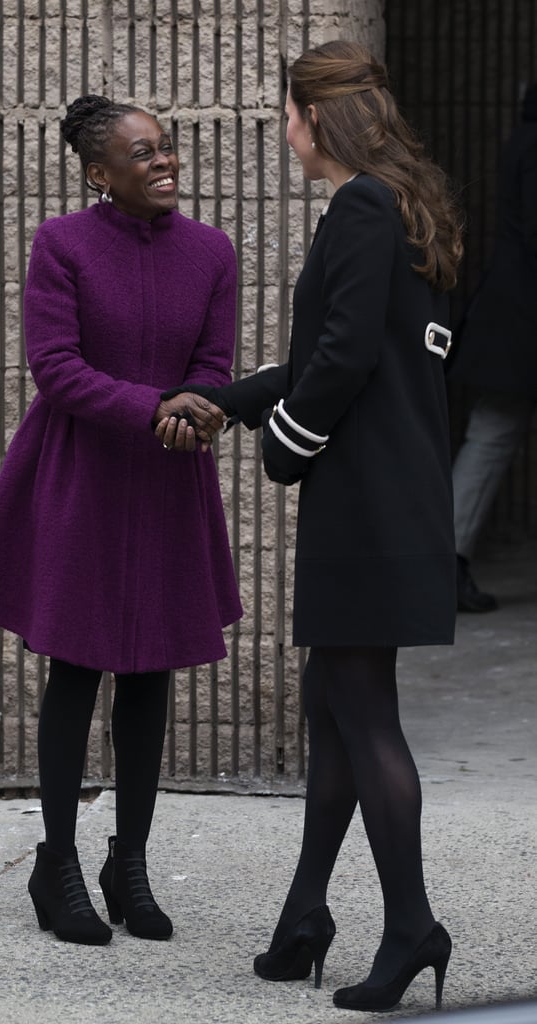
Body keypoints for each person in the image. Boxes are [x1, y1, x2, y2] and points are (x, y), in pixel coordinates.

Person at [160, 40, 463, 1013]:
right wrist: (222, 396)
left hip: (365, 503)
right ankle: (303, 919)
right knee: (331, 705)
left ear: (316, 117)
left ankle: (411, 926)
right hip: (387, 498)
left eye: (287, 114)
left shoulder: (362, 206)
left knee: (363, 713)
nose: (282, 131)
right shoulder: (395, 205)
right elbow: (338, 348)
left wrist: (281, 444)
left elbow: (335, 361)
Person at [0, 95, 242, 946]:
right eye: (144, 153)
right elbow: (56, 367)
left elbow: (213, 364)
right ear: (98, 173)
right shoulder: (63, 244)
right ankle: (59, 866)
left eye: (169, 150)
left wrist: (198, 410)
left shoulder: (212, 251)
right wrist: (158, 405)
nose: (165, 164)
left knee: (151, 674)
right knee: (76, 673)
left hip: (166, 478)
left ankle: (132, 865)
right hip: (80, 475)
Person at [448, 82, 537, 612]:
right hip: (524, 319)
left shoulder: (524, 138)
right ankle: (445, 564)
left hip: (515, 320)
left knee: (492, 432)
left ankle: (443, 563)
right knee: (493, 432)